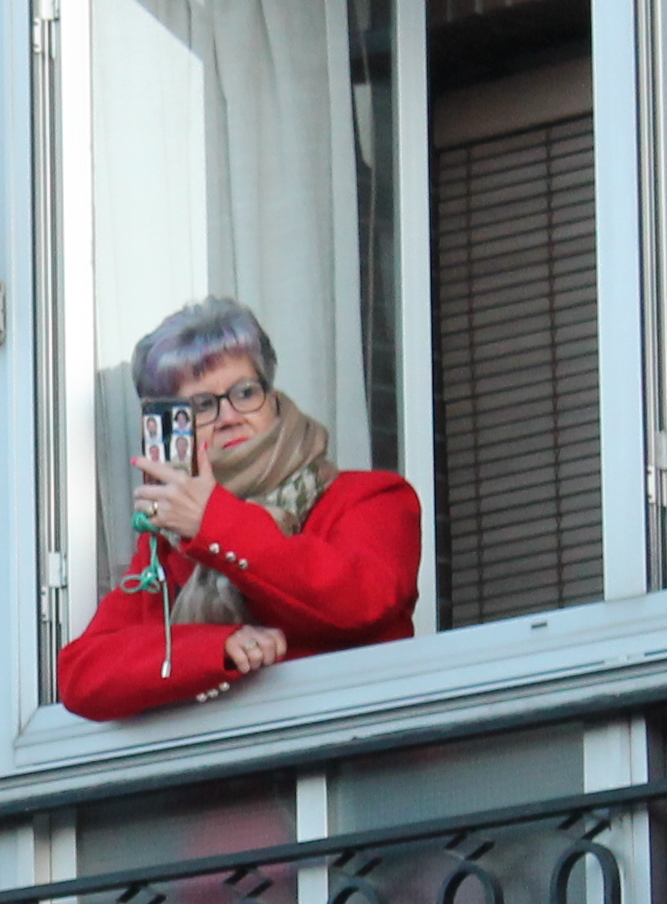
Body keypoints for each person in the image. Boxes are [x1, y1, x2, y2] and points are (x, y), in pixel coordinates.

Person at [56, 298, 421, 721]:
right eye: (202, 406)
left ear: (272, 396)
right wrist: (219, 646)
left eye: (244, 392)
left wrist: (213, 523)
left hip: (358, 772)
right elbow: (83, 675)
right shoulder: (171, 542)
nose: (228, 416)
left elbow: (356, 603)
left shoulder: (371, 498)